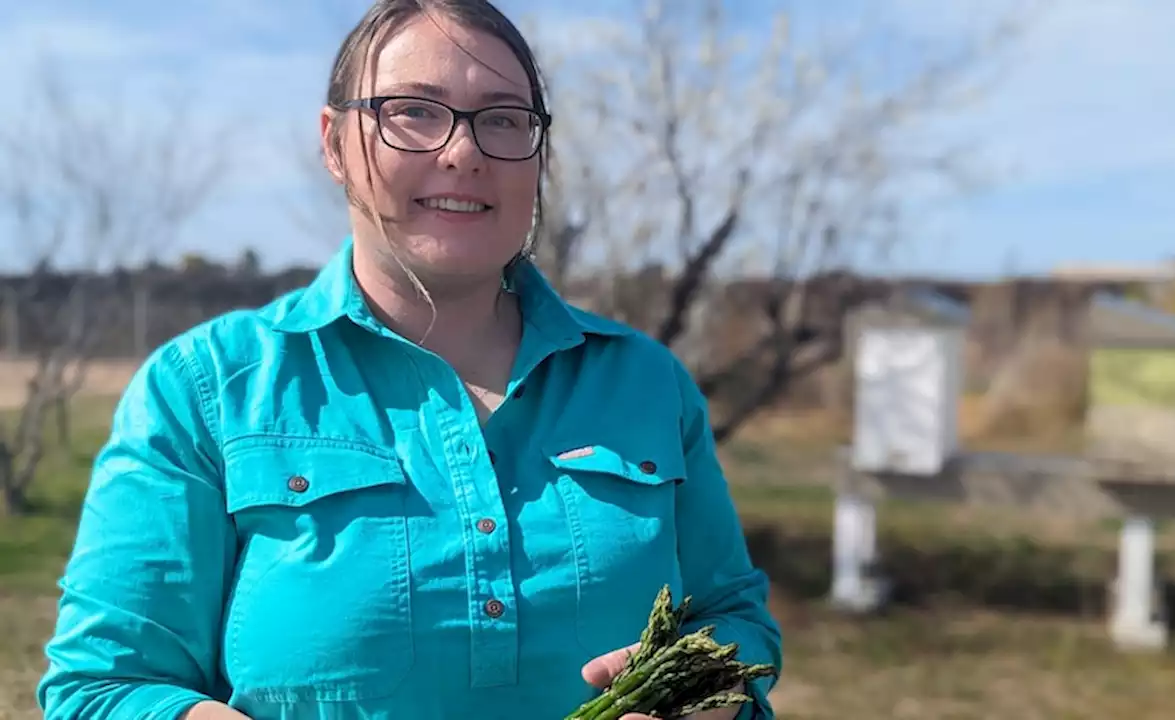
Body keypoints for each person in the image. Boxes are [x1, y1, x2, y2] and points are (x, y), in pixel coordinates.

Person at [35, 1, 783, 718]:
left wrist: (705, 692)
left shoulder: (648, 384)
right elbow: (107, 684)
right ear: (333, 144)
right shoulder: (204, 389)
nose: (463, 151)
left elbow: (732, 618)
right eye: (413, 113)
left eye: (502, 119)